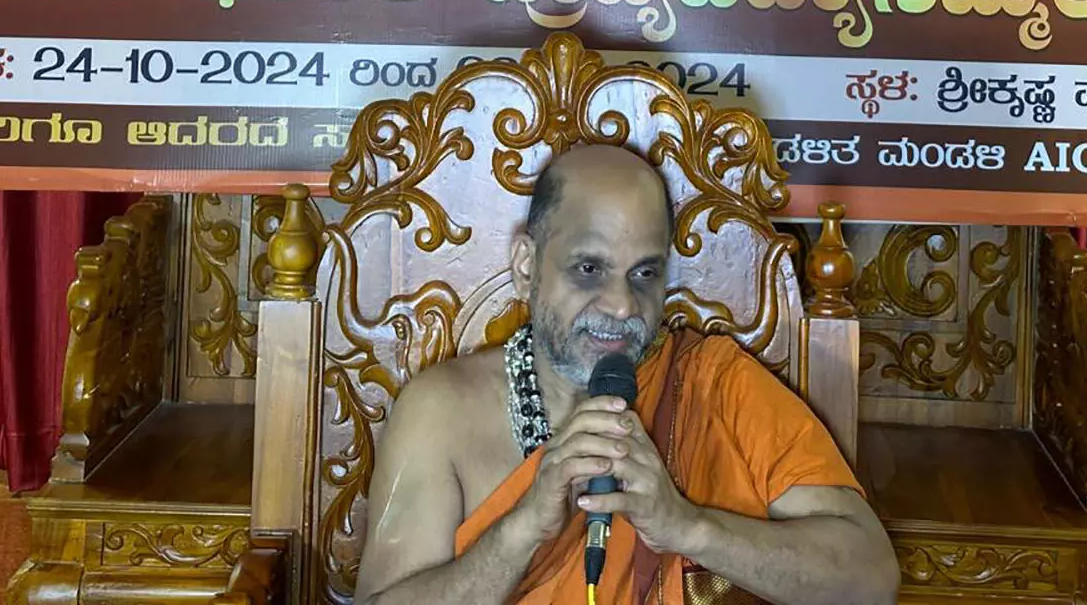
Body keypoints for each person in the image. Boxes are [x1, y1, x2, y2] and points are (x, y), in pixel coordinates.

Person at [356, 144, 899, 605]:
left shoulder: (715, 385)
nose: (621, 305)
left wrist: (688, 526)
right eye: (589, 269)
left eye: (644, 273)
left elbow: (870, 578)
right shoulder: (441, 413)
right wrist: (523, 528)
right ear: (526, 264)